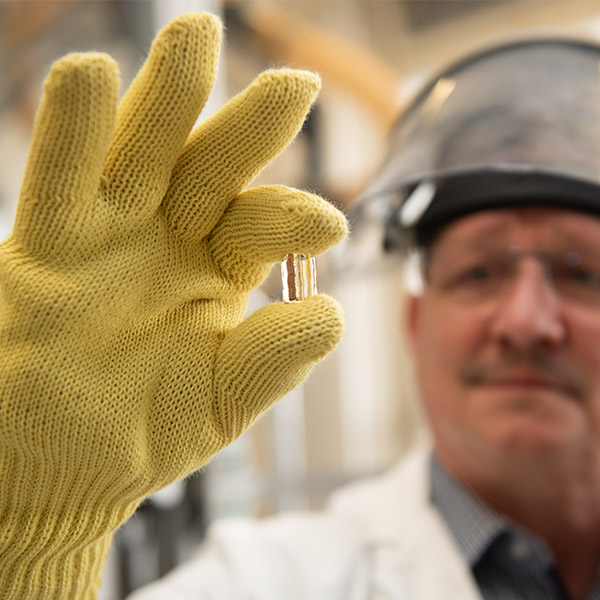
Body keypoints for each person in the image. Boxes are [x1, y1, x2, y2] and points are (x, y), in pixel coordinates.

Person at [2, 11, 600, 600]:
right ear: (414, 321)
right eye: (479, 272)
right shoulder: (262, 585)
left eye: (582, 275)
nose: (525, 321)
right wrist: (38, 534)